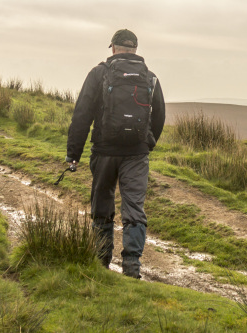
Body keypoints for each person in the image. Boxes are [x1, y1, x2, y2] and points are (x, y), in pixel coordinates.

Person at [66, 29, 165, 278]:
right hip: (136, 155)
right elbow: (159, 117)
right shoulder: (150, 78)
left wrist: (73, 154)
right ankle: (132, 267)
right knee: (134, 208)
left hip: (104, 151)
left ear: (113, 48)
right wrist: (147, 143)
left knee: (102, 204)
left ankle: (101, 261)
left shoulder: (98, 74)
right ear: (135, 49)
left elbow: (82, 115)